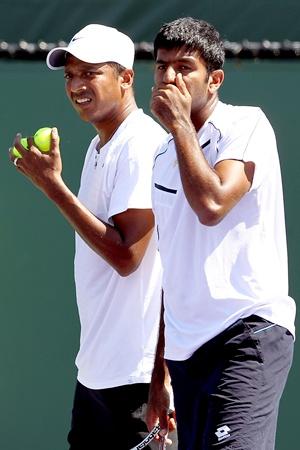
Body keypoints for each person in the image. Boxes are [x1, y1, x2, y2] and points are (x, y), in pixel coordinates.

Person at [9, 24, 168, 449]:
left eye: (90, 74)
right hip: (96, 373)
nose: (77, 85)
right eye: (70, 75)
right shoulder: (102, 147)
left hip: (135, 377)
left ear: (126, 78)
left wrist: (54, 188)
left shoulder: (141, 143)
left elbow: (127, 255)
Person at [146, 17, 296, 450]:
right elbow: (167, 267)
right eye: (161, 67)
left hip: (246, 336)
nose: (170, 77)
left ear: (214, 80)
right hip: (185, 354)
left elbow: (212, 204)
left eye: (184, 67)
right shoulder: (160, 156)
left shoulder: (246, 125)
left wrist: (179, 127)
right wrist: (160, 377)